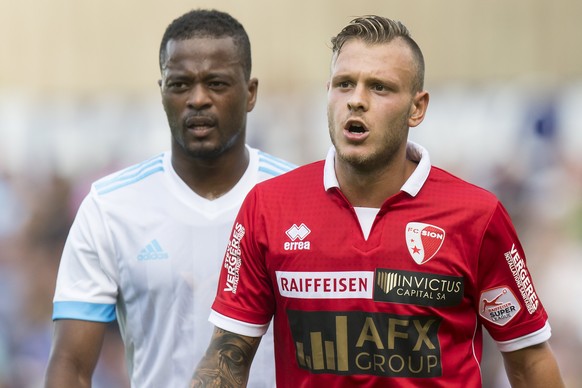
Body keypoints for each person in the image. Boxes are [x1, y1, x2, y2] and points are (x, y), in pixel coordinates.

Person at [191, 15, 565, 387]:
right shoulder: (268, 207)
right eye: (344, 84)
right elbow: (226, 359)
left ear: (416, 108)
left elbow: (530, 360)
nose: (356, 100)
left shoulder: (477, 217)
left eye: (380, 87)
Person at [44, 9, 295, 388]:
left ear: (250, 93)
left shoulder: (298, 197)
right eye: (180, 85)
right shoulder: (110, 208)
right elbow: (71, 366)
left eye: (216, 83)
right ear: (161, 91)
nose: (198, 99)